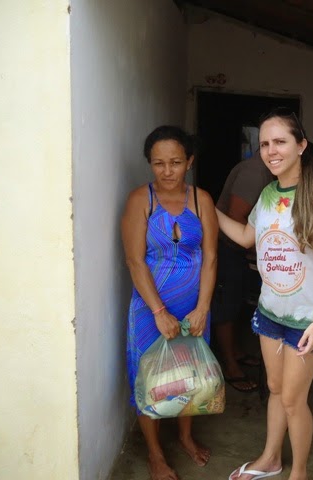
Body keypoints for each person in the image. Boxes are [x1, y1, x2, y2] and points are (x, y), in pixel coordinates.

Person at [217, 108, 313, 480]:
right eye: (264, 144)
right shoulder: (267, 194)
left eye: (280, 142)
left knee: (293, 400)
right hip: (270, 313)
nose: (271, 151)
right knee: (275, 389)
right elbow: (246, 237)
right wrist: (209, 209)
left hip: (308, 319)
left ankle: (299, 472)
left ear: (301, 145)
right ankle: (270, 459)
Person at [121, 125, 218, 480]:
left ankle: (186, 437)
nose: (167, 171)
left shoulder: (202, 200)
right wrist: (159, 311)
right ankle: (155, 453)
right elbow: (135, 261)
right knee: (148, 375)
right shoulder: (140, 200)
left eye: (175, 162)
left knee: (190, 374)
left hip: (193, 305)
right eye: (158, 163)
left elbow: (210, 258)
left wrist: (203, 307)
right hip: (150, 306)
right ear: (150, 163)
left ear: (189, 161)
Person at [212, 149, 273, 392]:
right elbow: (236, 217)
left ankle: (235, 352)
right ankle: (230, 367)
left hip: (237, 247)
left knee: (236, 302)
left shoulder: (263, 171)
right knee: (226, 306)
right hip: (228, 246)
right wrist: (259, 253)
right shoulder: (255, 172)